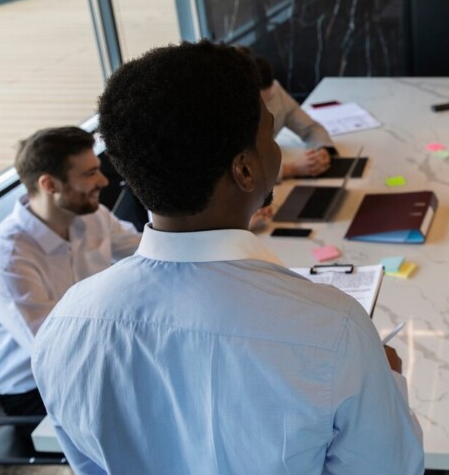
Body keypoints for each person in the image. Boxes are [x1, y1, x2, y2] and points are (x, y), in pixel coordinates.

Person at [31, 41, 423, 474]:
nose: (277, 147)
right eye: (269, 133)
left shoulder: (66, 323)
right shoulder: (334, 328)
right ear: (245, 169)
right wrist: (387, 381)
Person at [0, 126, 141, 416]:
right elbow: (54, 352)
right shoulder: (6, 262)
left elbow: (145, 252)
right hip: (35, 388)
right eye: (89, 174)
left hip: (93, 355)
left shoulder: (92, 215)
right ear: (49, 185)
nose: (102, 180)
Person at [248, 51, 335, 179]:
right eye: (261, 101)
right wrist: (290, 169)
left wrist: (322, 150)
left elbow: (311, 129)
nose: (267, 108)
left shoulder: (275, 91)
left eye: (270, 98)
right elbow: (241, 174)